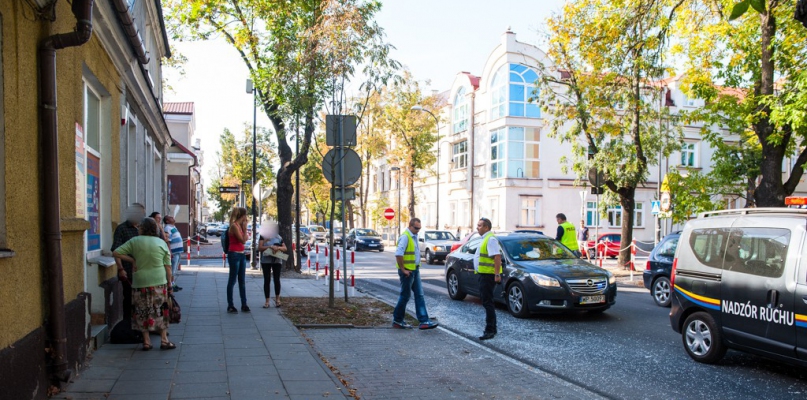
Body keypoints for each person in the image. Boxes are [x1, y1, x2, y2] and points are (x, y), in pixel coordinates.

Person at [112, 217, 176, 351]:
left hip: (140, 282)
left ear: (142, 228)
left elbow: (116, 252)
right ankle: (164, 340)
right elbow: (168, 266)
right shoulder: (161, 243)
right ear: (155, 229)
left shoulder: (135, 241)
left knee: (141, 311)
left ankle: (146, 342)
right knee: (160, 310)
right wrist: (170, 283)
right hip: (159, 281)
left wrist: (132, 260)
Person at [392, 218, 439, 330]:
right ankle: (397, 320)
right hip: (407, 272)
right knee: (405, 296)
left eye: (419, 228)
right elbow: (398, 254)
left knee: (419, 295)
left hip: (414, 270)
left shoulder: (414, 236)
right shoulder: (405, 237)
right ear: (410, 226)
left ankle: (424, 321)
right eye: (416, 228)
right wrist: (403, 270)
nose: (418, 230)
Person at [112, 204, 145, 327]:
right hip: (128, 271)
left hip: (144, 271)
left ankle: (146, 326)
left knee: (144, 300)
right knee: (129, 299)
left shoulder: (143, 229)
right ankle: (129, 325)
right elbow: (116, 250)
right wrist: (121, 269)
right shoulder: (122, 228)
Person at [474, 218, 502, 341]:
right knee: (487, 302)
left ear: (486, 227)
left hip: (488, 275)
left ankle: (490, 330)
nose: (477, 227)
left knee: (487, 302)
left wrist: (497, 274)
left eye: (479, 225)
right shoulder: (485, 238)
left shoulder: (490, 239)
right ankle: (492, 328)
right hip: (483, 274)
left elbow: (497, 257)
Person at [226, 207, 250, 314]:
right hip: (234, 254)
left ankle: (244, 304)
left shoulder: (239, 226)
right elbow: (242, 240)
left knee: (242, 280)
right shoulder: (234, 226)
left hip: (241, 254)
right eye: (246, 215)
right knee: (232, 280)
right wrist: (245, 229)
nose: (247, 217)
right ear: (242, 215)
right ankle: (230, 305)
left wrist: (244, 230)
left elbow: (245, 239)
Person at [258, 223, 286, 308]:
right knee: (267, 280)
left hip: (277, 260)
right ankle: (267, 301)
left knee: (277, 279)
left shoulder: (278, 237)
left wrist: (278, 248)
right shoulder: (263, 236)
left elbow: (285, 248)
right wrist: (270, 247)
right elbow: (260, 247)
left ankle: (278, 300)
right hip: (266, 260)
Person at [163, 216, 184, 291]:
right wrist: (170, 252)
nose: (173, 218)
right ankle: (170, 285)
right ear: (167, 221)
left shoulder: (173, 227)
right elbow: (168, 240)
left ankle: (173, 284)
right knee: (172, 269)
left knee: (174, 269)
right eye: (170, 217)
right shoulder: (167, 228)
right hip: (174, 252)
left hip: (178, 251)